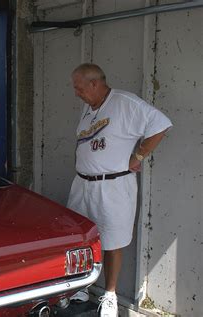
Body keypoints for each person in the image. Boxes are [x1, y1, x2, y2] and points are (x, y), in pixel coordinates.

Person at [66, 63, 172, 317]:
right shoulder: (89, 107)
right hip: (83, 184)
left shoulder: (125, 102)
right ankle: (83, 286)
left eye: (79, 87)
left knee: (113, 240)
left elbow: (161, 124)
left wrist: (138, 155)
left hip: (113, 185)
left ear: (94, 83)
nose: (76, 92)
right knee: (82, 237)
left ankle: (110, 295)